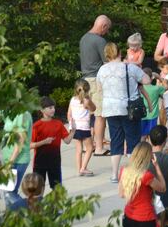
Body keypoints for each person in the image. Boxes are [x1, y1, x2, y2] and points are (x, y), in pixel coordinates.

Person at [119, 142, 166, 227]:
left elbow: (122, 194)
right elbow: (162, 188)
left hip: (129, 217)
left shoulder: (124, 170)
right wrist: (157, 167)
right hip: (145, 220)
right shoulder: (146, 176)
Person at [80, 14, 111, 157]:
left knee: (87, 114)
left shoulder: (84, 38)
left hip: (84, 80)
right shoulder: (100, 41)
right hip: (96, 80)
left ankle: (88, 145)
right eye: (107, 29)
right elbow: (107, 62)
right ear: (103, 26)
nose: (106, 32)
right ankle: (98, 147)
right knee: (100, 115)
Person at [30, 96, 74, 190]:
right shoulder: (36, 126)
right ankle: (38, 204)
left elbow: (67, 140)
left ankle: (56, 205)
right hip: (39, 163)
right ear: (42, 110)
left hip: (55, 162)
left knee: (57, 189)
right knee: (38, 190)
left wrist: (73, 131)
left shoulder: (58, 123)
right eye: (50, 108)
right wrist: (44, 142)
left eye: (53, 107)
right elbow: (30, 145)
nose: (53, 110)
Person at [1, 111, 33, 207]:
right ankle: (11, 217)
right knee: (7, 191)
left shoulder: (23, 115)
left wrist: (10, 162)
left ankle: (30, 210)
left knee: (10, 192)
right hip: (7, 158)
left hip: (17, 160)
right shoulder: (9, 111)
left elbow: (20, 141)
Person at [67, 78, 96, 176]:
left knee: (78, 149)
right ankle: (83, 168)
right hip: (84, 127)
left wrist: (71, 125)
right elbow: (94, 109)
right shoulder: (86, 101)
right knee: (90, 148)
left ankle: (79, 169)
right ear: (87, 89)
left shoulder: (72, 100)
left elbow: (69, 114)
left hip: (74, 127)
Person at [141, 68, 166, 138]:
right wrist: (159, 78)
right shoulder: (156, 88)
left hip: (141, 115)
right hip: (152, 116)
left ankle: (142, 148)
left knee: (142, 136)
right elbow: (166, 87)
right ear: (152, 78)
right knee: (152, 135)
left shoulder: (138, 88)